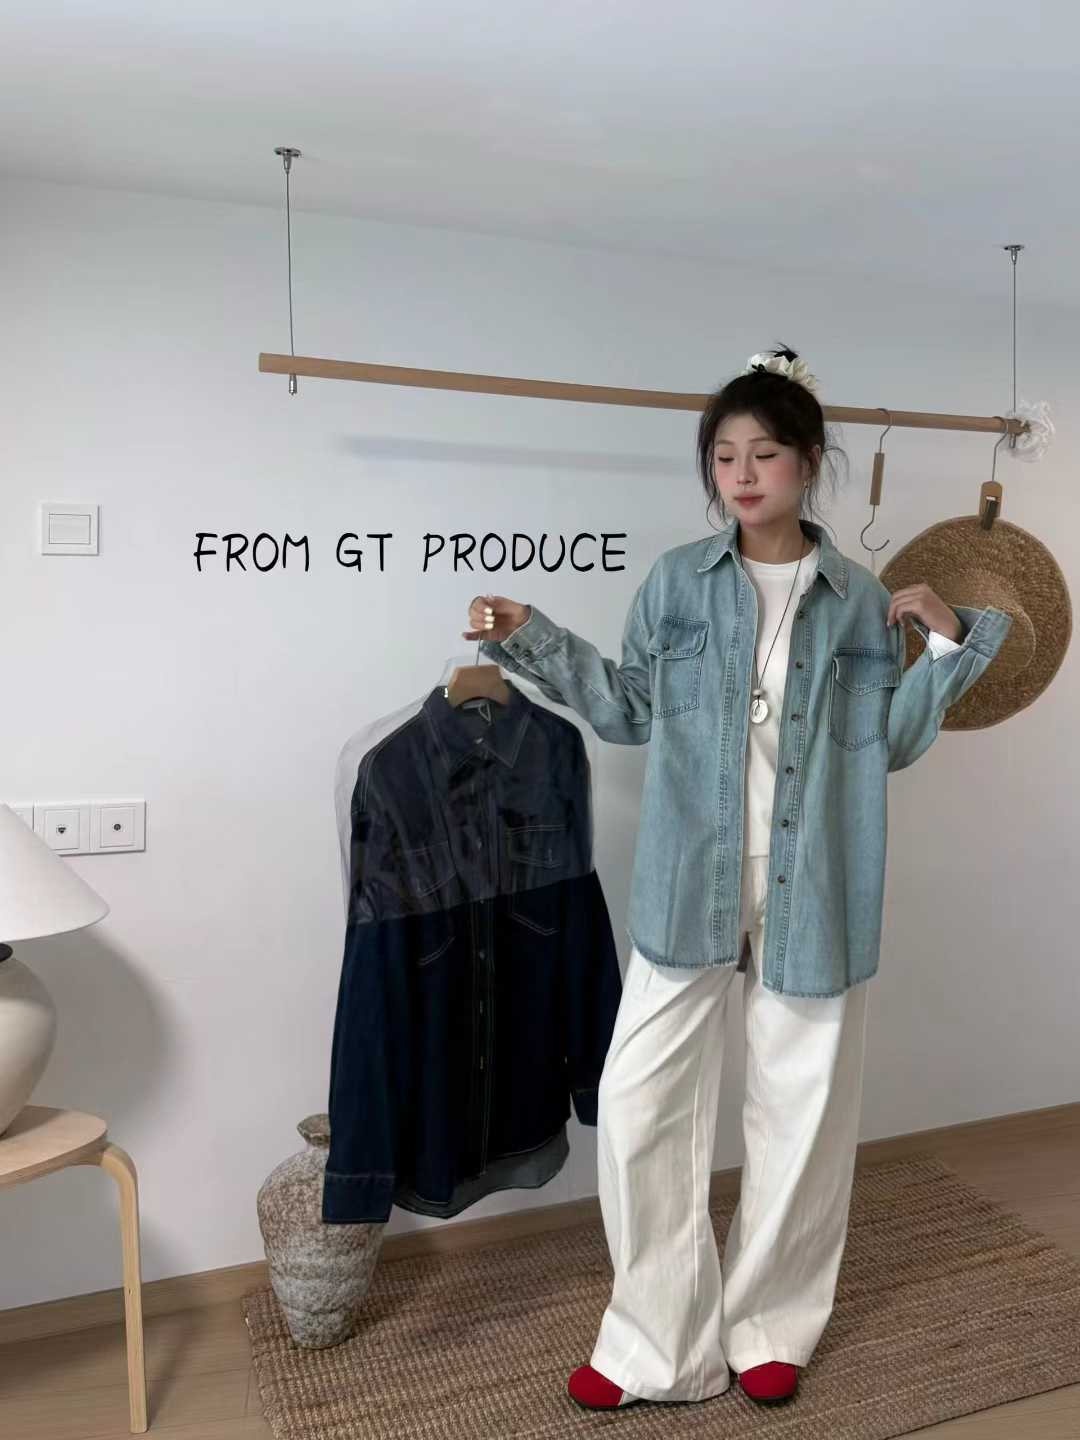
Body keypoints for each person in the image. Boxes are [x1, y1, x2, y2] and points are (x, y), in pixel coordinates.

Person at [461, 345, 1009, 1412]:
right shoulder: (677, 582)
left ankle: (771, 1327)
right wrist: (535, 640)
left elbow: (892, 745)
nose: (742, 474)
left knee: (800, 1111)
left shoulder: (858, 600)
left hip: (820, 880)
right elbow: (628, 709)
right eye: (723, 456)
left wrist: (947, 646)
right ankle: (655, 1345)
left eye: (764, 453)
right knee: (639, 1103)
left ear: (808, 462)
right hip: (690, 877)